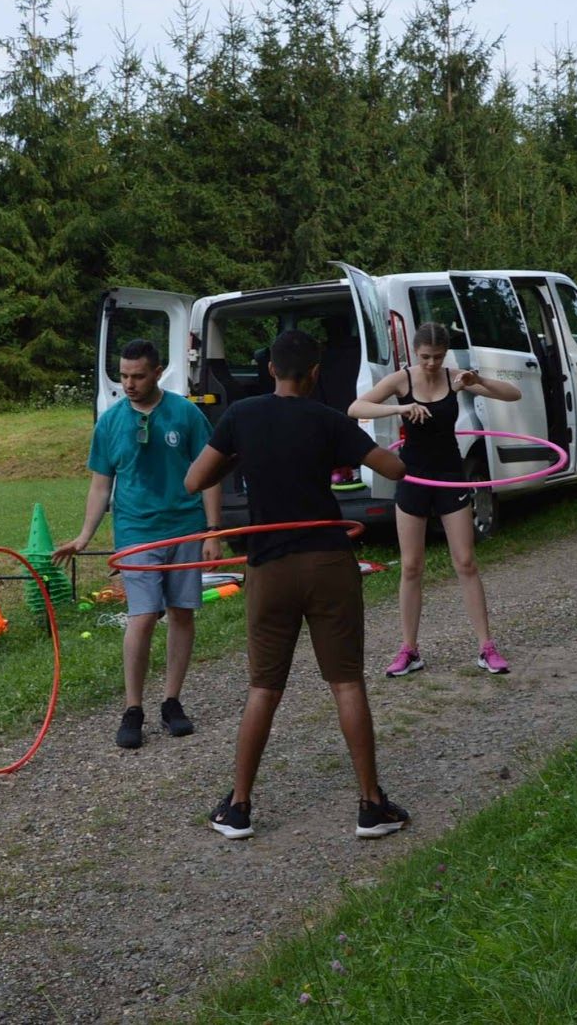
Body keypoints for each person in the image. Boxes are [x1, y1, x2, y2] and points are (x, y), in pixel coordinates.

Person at [185, 328, 411, 841]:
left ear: (270, 369)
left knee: (264, 687)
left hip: (269, 567)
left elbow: (194, 481)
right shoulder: (329, 420)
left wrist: (240, 454)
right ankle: (370, 805)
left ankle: (238, 808)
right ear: (314, 373)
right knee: (346, 682)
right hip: (328, 561)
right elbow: (394, 468)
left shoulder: (242, 416)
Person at [54, 339, 223, 747]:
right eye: (123, 376)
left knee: (181, 613)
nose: (129, 384)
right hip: (136, 531)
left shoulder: (186, 413)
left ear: (158, 372)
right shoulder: (110, 422)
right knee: (143, 616)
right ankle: (133, 708)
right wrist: (84, 536)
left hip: (184, 526)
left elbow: (210, 473)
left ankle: (172, 702)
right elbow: (100, 485)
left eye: (138, 376)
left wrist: (213, 531)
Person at [348, 321, 523, 676]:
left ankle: (486, 647)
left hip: (449, 476)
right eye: (425, 356)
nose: (431, 363)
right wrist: (398, 409)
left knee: (466, 562)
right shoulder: (402, 380)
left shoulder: (455, 377)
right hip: (412, 477)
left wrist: (478, 380)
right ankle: (409, 650)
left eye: (438, 357)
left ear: (445, 354)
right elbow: (355, 408)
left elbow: (513, 394)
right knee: (411, 566)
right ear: (415, 352)